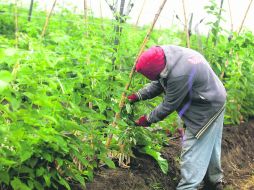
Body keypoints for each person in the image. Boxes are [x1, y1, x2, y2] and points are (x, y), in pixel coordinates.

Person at [127, 45, 226, 190]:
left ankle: (187, 187)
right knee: (209, 143)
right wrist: (138, 95)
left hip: (206, 107)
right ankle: (215, 181)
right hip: (214, 96)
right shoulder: (166, 56)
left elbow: (168, 105)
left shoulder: (180, 74)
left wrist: (146, 119)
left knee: (193, 149)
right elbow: (159, 83)